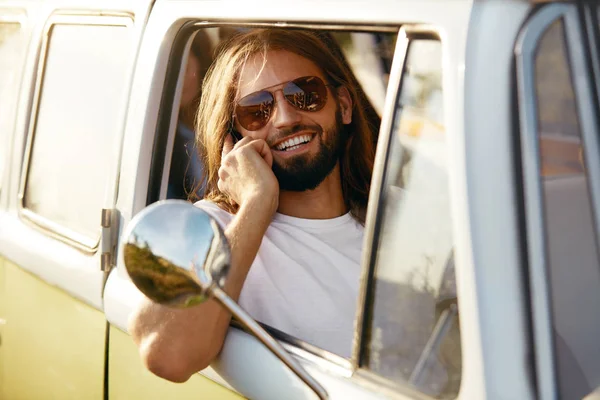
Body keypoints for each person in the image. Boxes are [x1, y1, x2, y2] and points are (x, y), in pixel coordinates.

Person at [129, 28, 376, 383]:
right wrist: (257, 204)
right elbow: (167, 355)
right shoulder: (212, 231)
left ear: (345, 105)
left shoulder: (396, 216)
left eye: (305, 94)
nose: (286, 119)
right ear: (234, 137)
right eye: (257, 110)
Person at [167, 31, 213, 200]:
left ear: (202, 65)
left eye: (184, 69)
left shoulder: (230, 124)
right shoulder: (161, 139)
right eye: (169, 73)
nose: (177, 82)